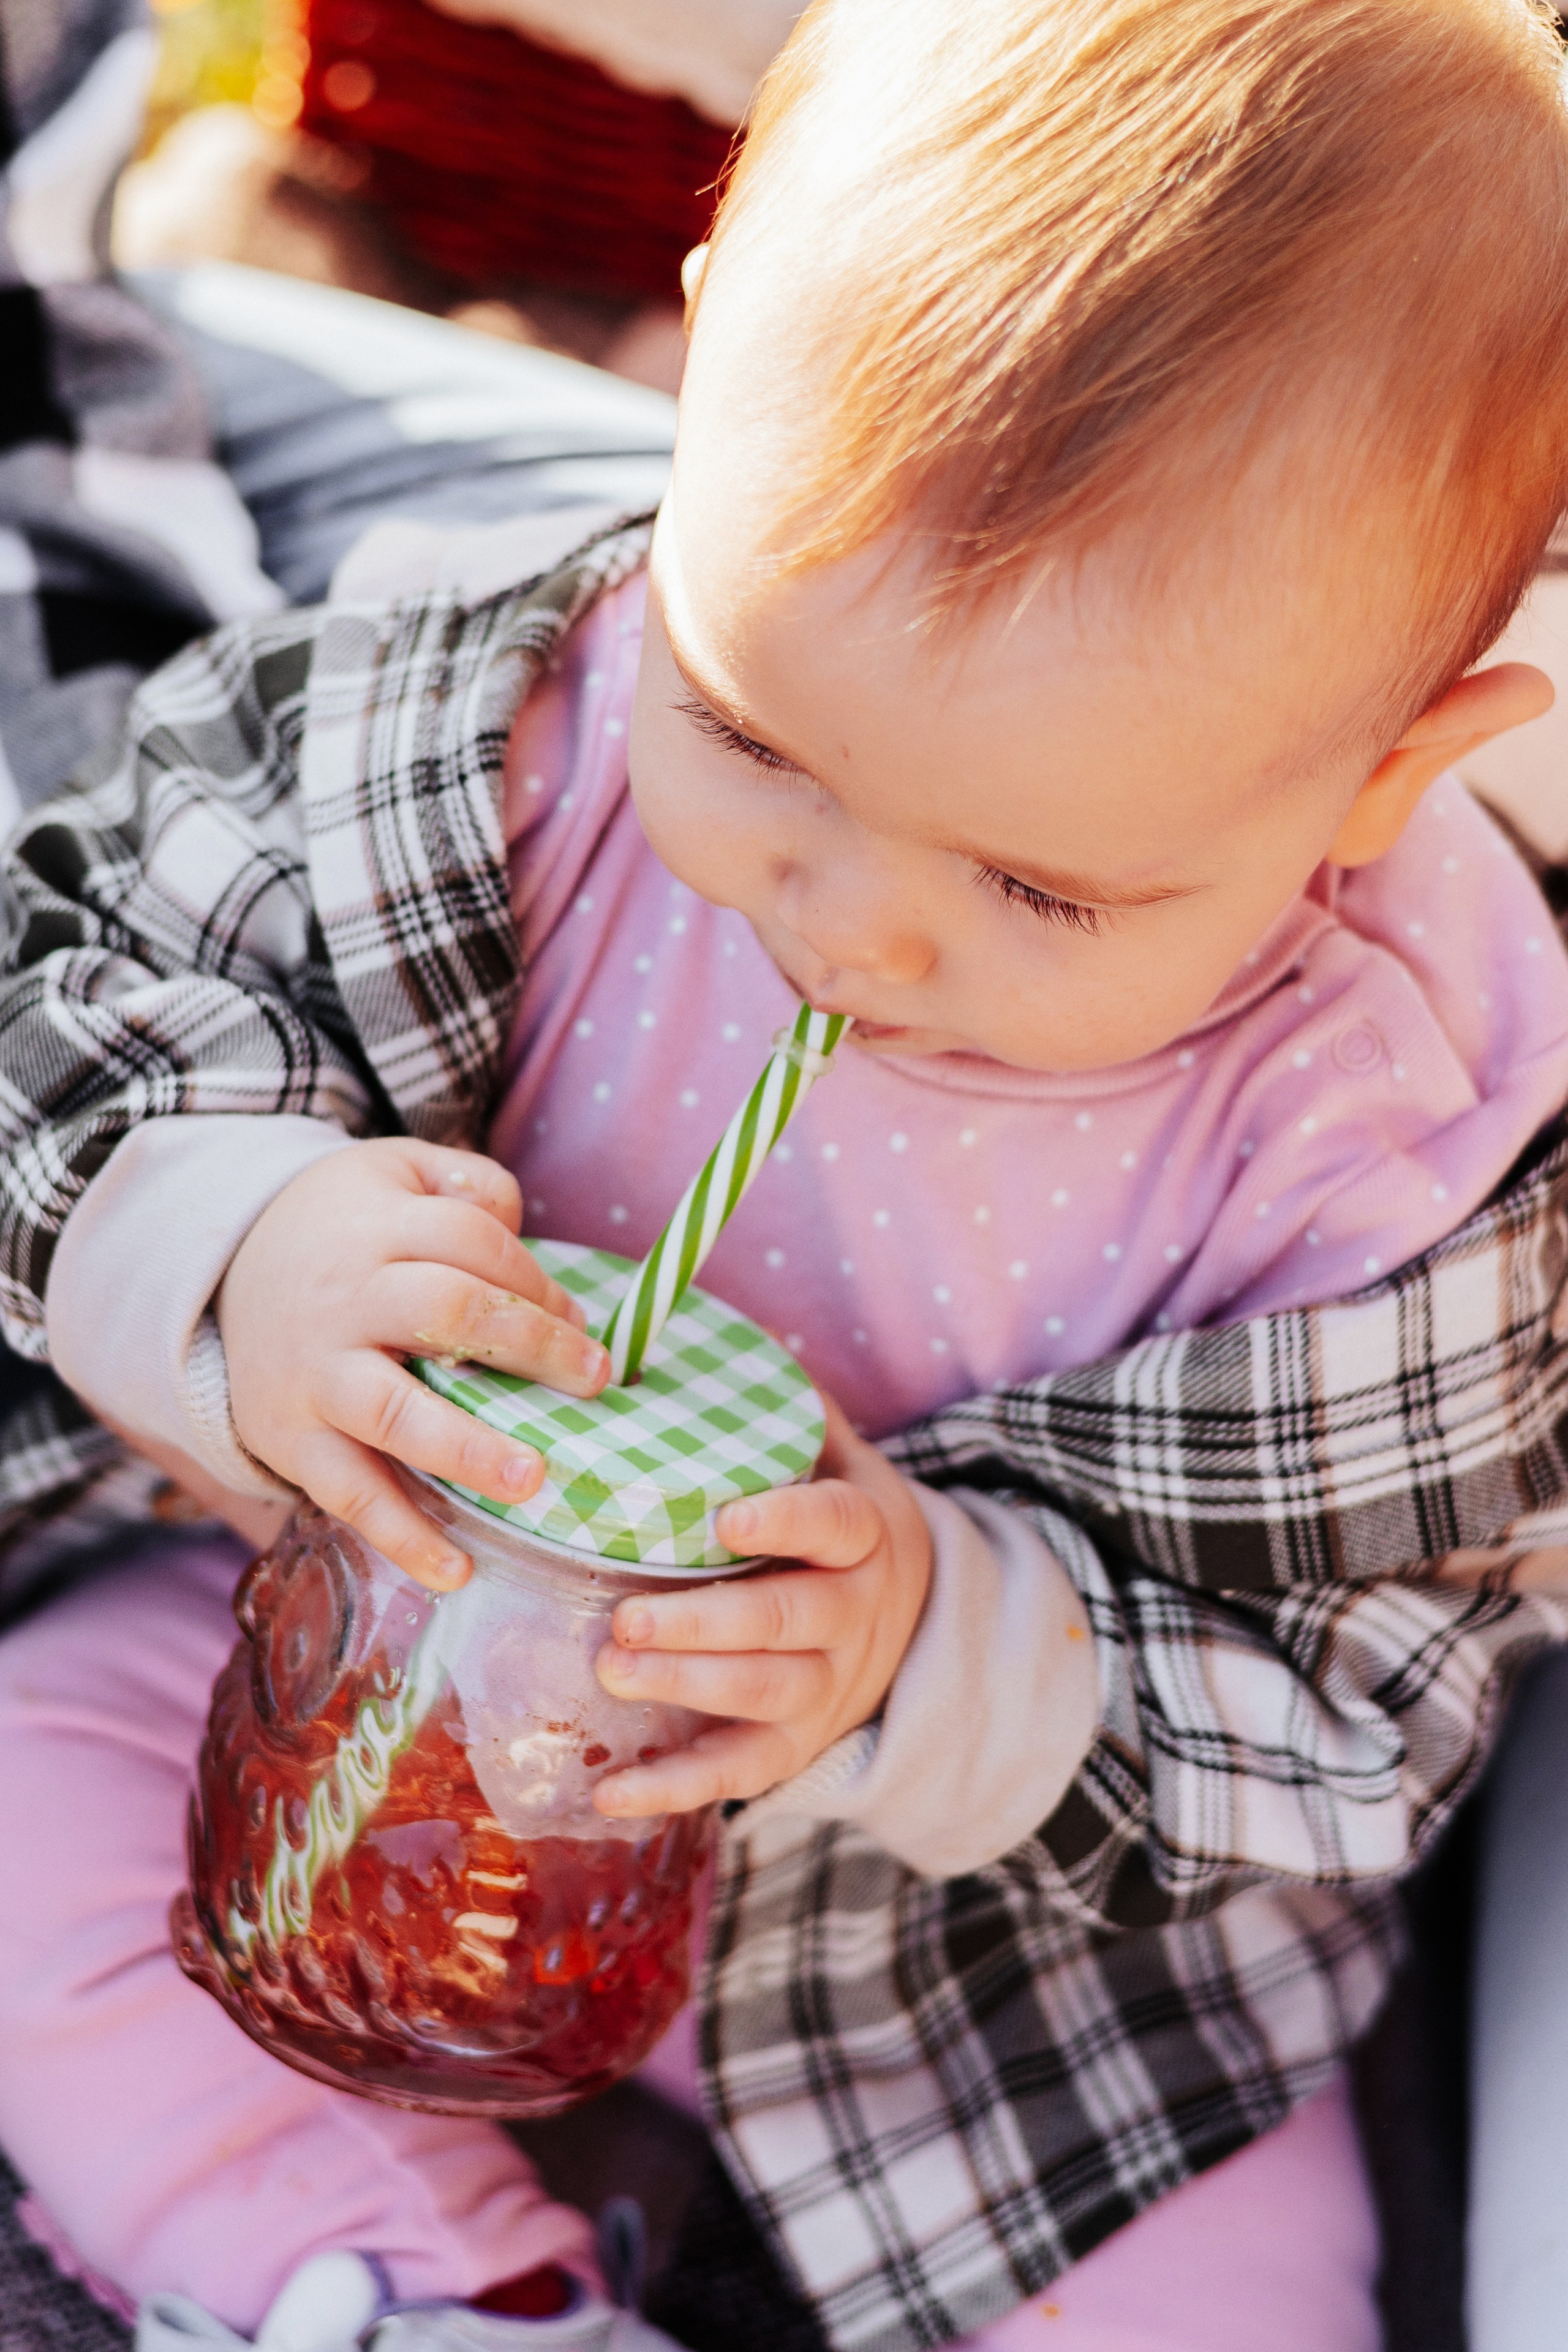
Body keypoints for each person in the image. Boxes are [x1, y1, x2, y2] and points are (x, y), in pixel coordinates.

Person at [6, 2, 1568, 2349]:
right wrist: (243, 1256)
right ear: (698, 348)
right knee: (34, 1807)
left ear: (1390, 764)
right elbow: (84, 971)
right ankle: (435, 2295)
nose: (848, 921)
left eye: (1044, 892)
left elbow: (1367, 1686)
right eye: (753, 736)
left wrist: (928, 1644)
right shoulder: (498, 724)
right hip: (371, 1698)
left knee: (1218, 2276)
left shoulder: (1391, 1129)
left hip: (980, 1967)